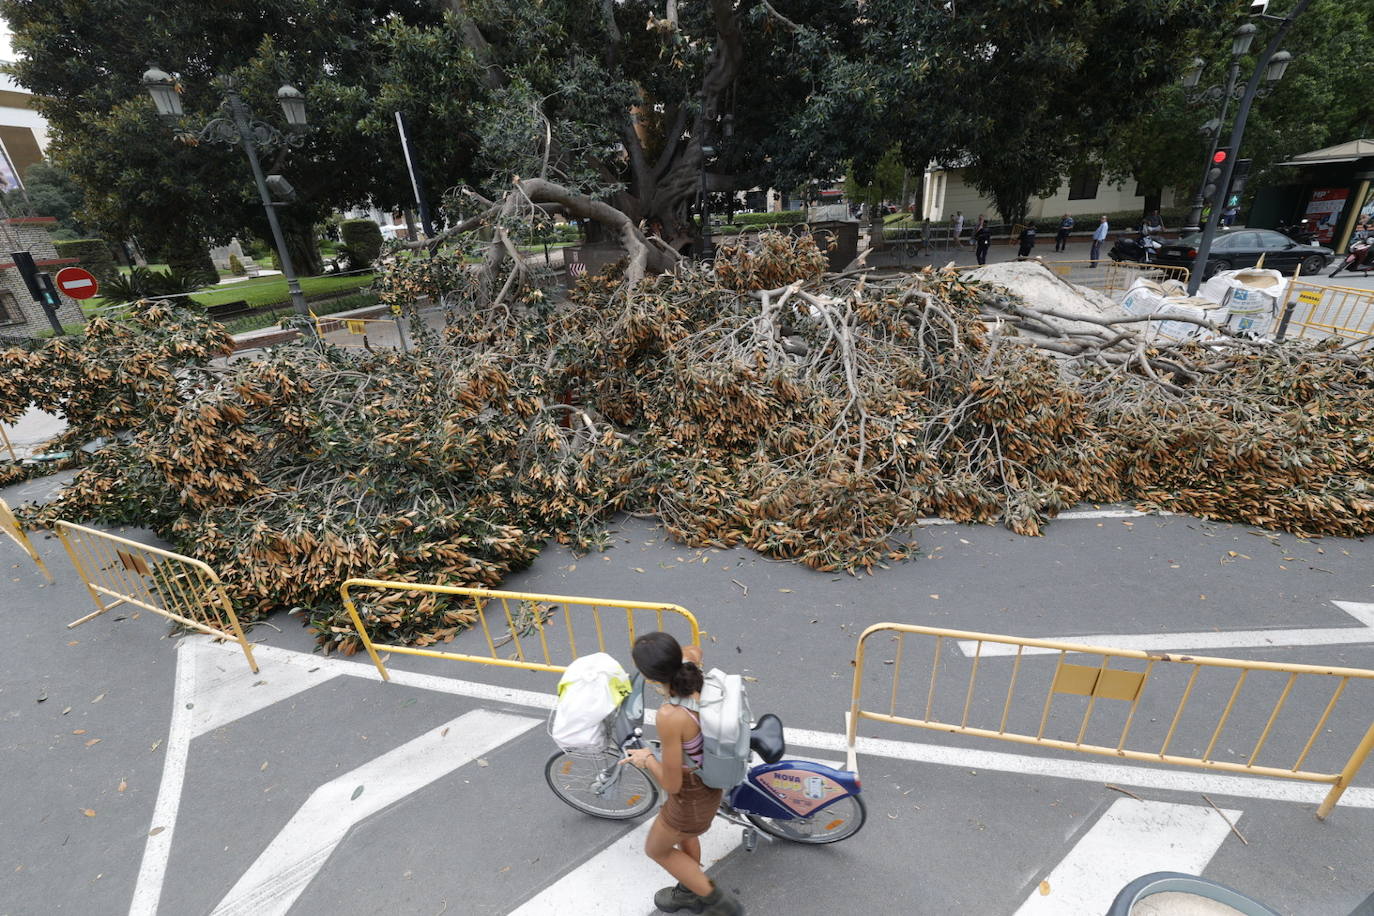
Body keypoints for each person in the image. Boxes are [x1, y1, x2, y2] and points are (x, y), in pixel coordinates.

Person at [622, 633, 744, 916]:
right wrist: (683, 653)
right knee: (684, 836)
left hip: (690, 796)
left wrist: (647, 757)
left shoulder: (670, 715)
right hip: (710, 780)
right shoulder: (691, 663)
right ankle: (689, 890)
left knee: (657, 849)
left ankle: (720, 904)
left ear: (649, 676)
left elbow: (672, 783)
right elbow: (695, 649)